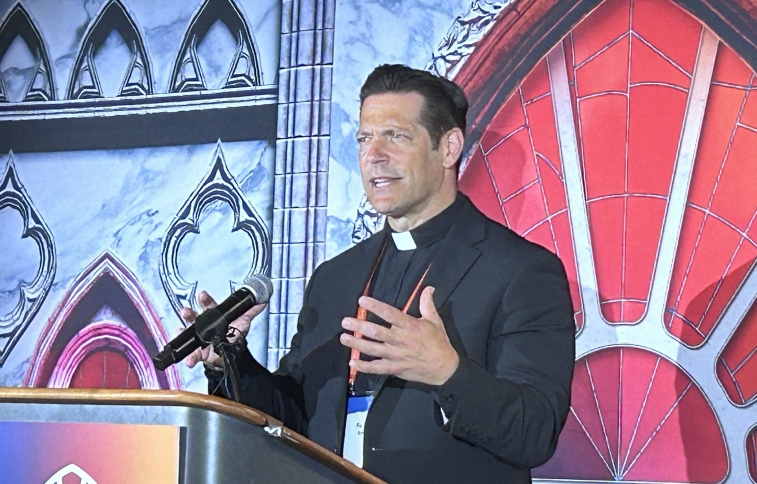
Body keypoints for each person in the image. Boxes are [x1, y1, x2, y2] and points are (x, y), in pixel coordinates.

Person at [184, 64, 575, 483]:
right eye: (365, 138)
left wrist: (448, 373)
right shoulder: (334, 277)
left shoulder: (521, 271)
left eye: (396, 136)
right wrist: (231, 363)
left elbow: (535, 432)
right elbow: (296, 418)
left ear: (449, 148)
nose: (374, 155)